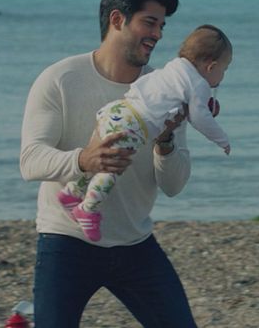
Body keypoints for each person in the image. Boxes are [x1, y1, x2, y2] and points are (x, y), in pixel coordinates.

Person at [20, 0, 198, 327]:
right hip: (67, 239)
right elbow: (30, 160)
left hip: (135, 243)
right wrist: (83, 159)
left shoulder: (163, 92)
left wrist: (165, 142)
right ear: (117, 19)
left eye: (162, 26)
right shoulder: (60, 78)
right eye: (150, 22)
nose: (158, 34)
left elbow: (174, 185)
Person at [58, 24, 233, 242]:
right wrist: (222, 139)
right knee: (111, 170)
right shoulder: (199, 84)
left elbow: (179, 107)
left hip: (116, 110)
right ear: (211, 67)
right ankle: (88, 208)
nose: (222, 76)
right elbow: (200, 118)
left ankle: (72, 191)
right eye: (224, 69)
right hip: (134, 124)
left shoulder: (174, 68)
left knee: (101, 160)